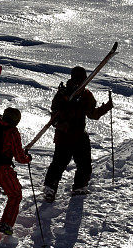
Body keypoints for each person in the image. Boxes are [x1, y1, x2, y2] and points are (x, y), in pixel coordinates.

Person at [42, 66, 113, 202]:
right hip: (65, 135)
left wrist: (106, 107)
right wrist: (63, 110)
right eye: (78, 79)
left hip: (79, 135)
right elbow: (54, 114)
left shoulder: (86, 95)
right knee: (59, 163)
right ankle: (50, 189)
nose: (79, 81)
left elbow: (93, 114)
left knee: (84, 163)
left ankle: (79, 187)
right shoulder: (63, 94)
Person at [0, 107, 32, 244]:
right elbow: (19, 157)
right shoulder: (12, 132)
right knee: (15, 194)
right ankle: (7, 224)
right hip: (3, 170)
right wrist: (27, 158)